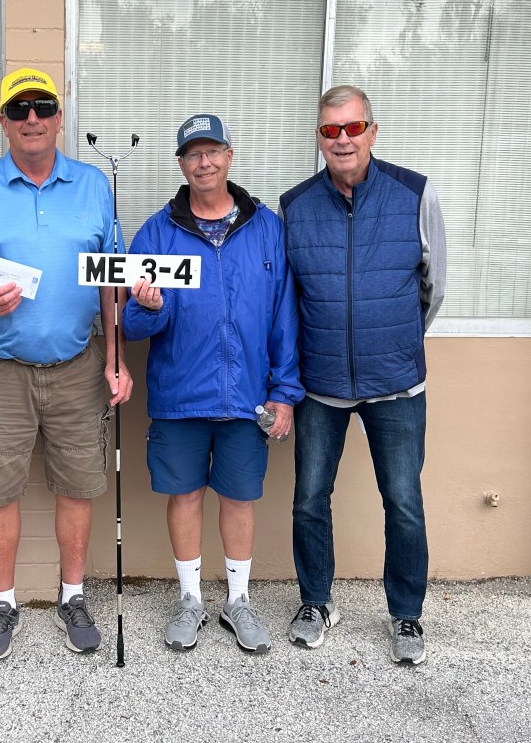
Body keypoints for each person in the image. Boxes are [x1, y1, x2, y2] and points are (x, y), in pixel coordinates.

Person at [0, 67, 132, 660]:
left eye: (43, 107)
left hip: (79, 363)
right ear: (3, 121)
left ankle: (73, 594)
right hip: (0, 366)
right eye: (19, 109)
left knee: (78, 484)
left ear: (59, 118)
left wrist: (117, 357)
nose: (32, 119)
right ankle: (4, 602)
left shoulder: (94, 185)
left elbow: (112, 277)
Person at [123, 114, 303, 653]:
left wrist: (283, 391)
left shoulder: (266, 227)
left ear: (229, 155)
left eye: (212, 151)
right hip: (181, 395)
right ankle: (190, 600)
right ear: (181, 164)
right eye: (193, 154)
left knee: (240, 497)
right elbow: (132, 326)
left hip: (247, 396)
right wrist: (148, 306)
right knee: (184, 496)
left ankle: (238, 601)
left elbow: (284, 314)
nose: (204, 162)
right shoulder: (158, 232)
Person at [278, 85, 446, 665]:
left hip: (395, 383)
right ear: (319, 138)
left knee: (403, 501)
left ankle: (406, 613)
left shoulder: (414, 194)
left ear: (372, 130)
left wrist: (393, 339)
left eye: (353, 128)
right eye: (331, 130)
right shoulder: (295, 205)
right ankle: (316, 602)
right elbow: (288, 298)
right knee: (308, 498)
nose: (343, 140)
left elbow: (433, 288)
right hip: (320, 383)